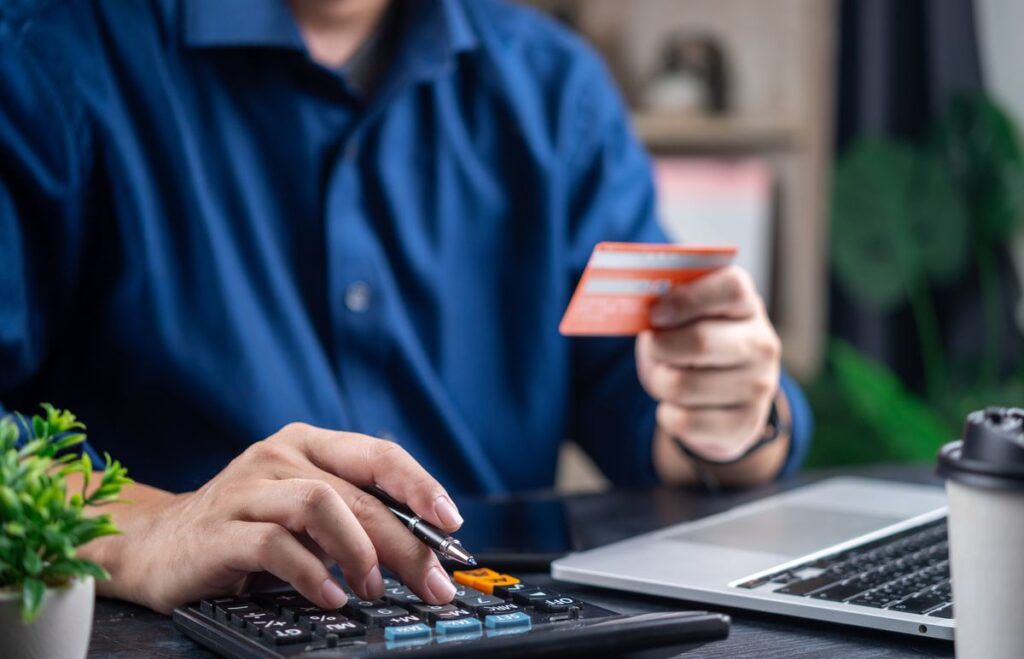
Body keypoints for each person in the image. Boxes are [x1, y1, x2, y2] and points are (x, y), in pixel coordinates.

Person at [0, 0, 811, 614]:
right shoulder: (44, 55)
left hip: (497, 630)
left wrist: (727, 416)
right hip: (186, 640)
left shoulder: (553, 88)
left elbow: (647, 397)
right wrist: (151, 526)